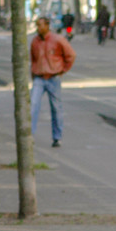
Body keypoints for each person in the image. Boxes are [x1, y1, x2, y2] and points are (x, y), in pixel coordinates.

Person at [30, 16, 76, 147]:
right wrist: (33, 72)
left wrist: (63, 70)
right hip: (39, 77)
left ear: (47, 26)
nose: (38, 28)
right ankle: (30, 135)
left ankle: (57, 137)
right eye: (37, 25)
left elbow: (71, 55)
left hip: (53, 77)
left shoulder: (58, 40)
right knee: (33, 105)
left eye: (40, 25)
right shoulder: (35, 41)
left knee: (56, 108)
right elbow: (33, 58)